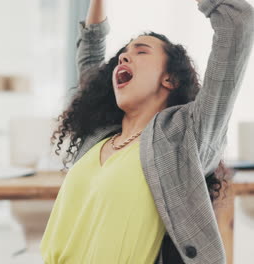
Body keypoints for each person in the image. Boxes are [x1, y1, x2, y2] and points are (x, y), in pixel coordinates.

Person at [40, 0, 254, 263]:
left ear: (170, 79)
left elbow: (237, 24)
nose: (124, 56)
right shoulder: (97, 136)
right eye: (124, 53)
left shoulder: (183, 137)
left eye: (141, 52)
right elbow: (90, 51)